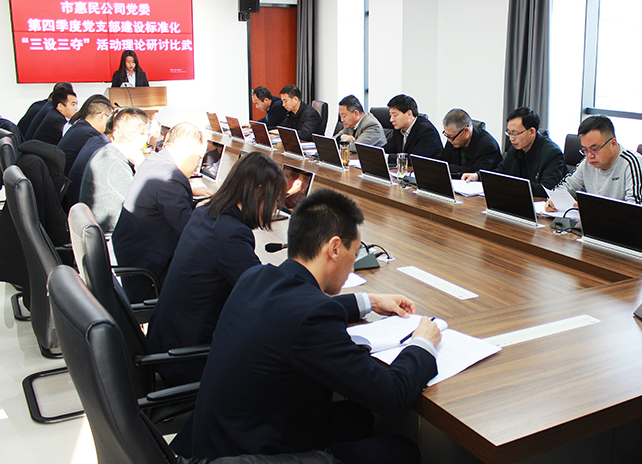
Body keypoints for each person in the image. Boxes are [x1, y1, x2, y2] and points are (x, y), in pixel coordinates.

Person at [170, 189, 440, 464]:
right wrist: (422, 343)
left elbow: (295, 311)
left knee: (357, 417)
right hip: (250, 455)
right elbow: (393, 396)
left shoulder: (256, 276)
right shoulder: (313, 318)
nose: (353, 265)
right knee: (402, 450)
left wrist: (368, 301)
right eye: (355, 252)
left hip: (215, 440)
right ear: (335, 248)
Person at [147, 153, 287, 386]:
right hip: (190, 359)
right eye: (275, 201)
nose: (274, 209)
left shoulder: (204, 213)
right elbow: (265, 295)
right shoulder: (231, 235)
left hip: (166, 342)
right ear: (259, 192)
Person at [112, 122, 211, 303]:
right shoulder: (171, 178)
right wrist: (210, 210)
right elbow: (189, 230)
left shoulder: (154, 161)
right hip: (151, 268)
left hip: (133, 252)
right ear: (188, 150)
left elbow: (171, 208)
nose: (198, 166)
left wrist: (197, 203)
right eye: (199, 157)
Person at [548, 115, 642, 212]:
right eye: (585, 150)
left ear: (613, 144)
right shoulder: (587, 163)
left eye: (595, 149)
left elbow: (634, 210)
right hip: (598, 223)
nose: (590, 156)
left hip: (637, 227)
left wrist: (592, 209)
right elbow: (567, 187)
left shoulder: (633, 163)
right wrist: (554, 200)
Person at [79, 108, 150, 232]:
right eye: (147, 134)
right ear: (140, 137)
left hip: (106, 230)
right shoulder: (114, 164)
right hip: (112, 236)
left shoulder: (106, 153)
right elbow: (141, 205)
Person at [56, 95, 112, 176]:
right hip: (67, 179)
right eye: (109, 119)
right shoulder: (91, 135)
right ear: (102, 116)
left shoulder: (80, 125)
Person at [382, 94, 443, 163]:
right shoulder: (399, 129)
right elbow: (389, 148)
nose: (391, 120)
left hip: (426, 168)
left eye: (395, 115)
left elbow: (414, 159)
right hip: (404, 168)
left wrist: (387, 157)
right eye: (390, 115)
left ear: (409, 114)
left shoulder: (427, 131)